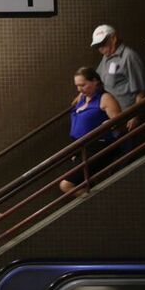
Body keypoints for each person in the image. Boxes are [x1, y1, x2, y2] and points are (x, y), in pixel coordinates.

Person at [59, 66, 122, 194]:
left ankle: (94, 200)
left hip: (97, 147)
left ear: (95, 81)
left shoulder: (105, 98)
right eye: (77, 86)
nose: (80, 89)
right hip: (79, 147)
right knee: (83, 182)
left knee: (66, 185)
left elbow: (119, 122)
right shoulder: (82, 97)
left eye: (83, 85)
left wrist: (110, 123)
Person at [91, 25, 145, 130]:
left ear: (113, 38)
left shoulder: (129, 56)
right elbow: (96, 79)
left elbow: (141, 91)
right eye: (98, 46)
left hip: (128, 118)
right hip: (113, 115)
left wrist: (135, 116)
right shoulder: (106, 57)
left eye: (103, 44)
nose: (101, 49)